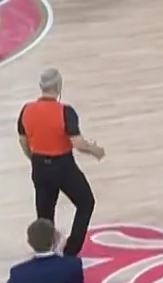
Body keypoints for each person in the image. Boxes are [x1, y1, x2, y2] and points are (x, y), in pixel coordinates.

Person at [19, 67, 104, 256]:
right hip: (63, 167)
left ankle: (46, 252)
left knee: (45, 214)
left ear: (41, 86)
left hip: (39, 166)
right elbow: (78, 144)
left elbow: (23, 141)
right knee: (86, 202)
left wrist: (33, 158)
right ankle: (71, 249)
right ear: (59, 86)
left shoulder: (26, 110)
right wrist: (95, 150)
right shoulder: (65, 111)